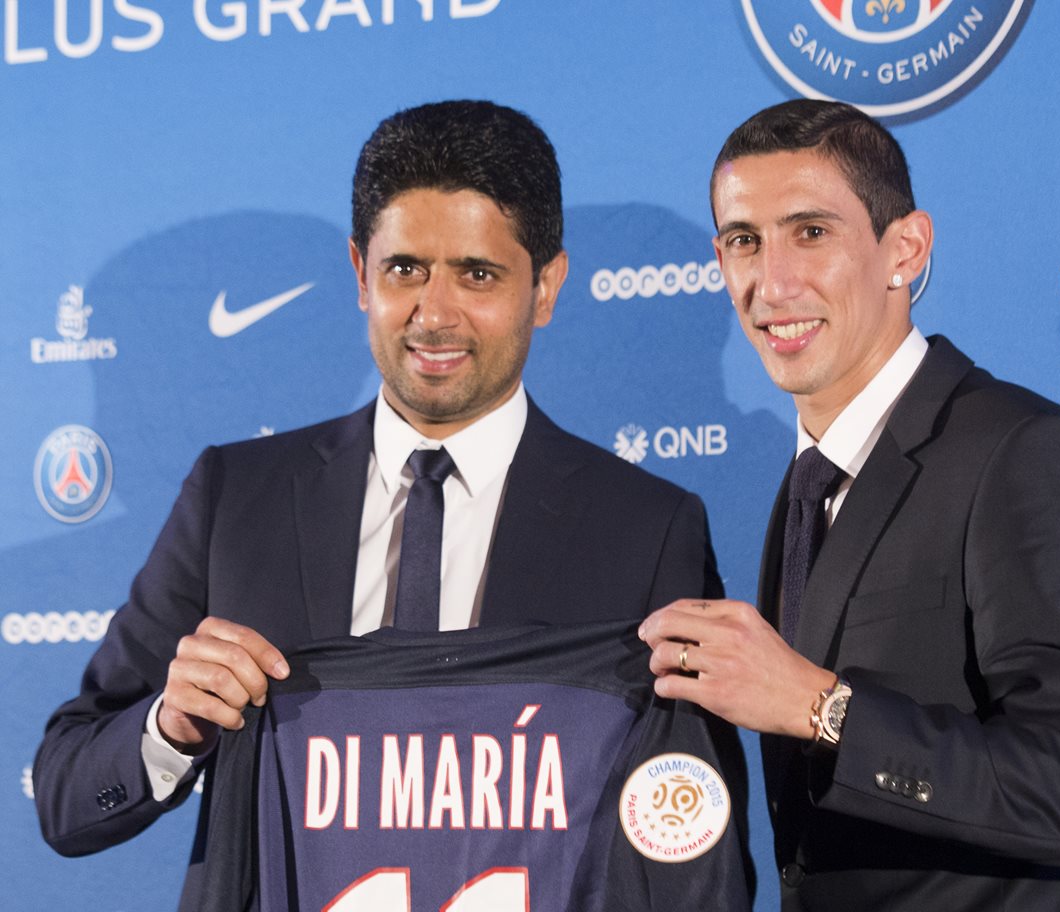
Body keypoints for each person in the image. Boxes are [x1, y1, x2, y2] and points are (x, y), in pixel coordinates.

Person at [34, 100, 723, 901]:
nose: (435, 314)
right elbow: (65, 796)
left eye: (478, 273)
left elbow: (688, 832)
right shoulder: (237, 496)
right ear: (360, 272)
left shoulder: (646, 527)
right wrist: (171, 727)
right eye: (406, 270)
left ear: (546, 288)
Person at [639, 99, 1060, 911]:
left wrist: (820, 705)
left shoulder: (1021, 454)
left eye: (811, 232)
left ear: (904, 250)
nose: (771, 282)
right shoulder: (810, 479)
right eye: (745, 240)